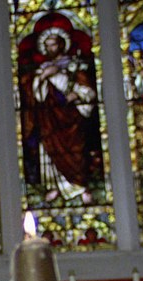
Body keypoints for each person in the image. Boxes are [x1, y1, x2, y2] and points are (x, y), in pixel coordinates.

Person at [21, 27, 96, 204]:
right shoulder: (43, 69)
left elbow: (89, 91)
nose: (50, 48)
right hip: (49, 118)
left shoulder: (74, 65)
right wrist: (43, 77)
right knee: (49, 149)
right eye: (47, 45)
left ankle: (80, 185)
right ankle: (54, 186)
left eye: (53, 44)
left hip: (70, 117)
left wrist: (77, 94)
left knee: (75, 150)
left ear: (61, 45)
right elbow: (36, 95)